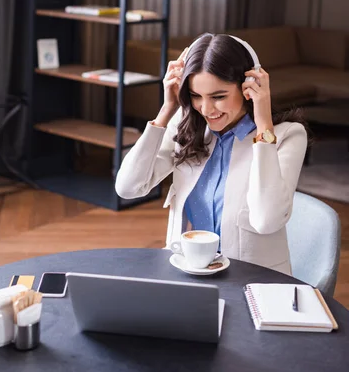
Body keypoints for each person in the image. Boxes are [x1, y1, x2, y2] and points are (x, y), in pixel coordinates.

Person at [115, 33, 308, 275]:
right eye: (196, 96)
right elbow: (128, 188)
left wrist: (264, 126)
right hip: (185, 274)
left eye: (218, 97)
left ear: (250, 86)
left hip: (253, 285)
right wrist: (166, 111)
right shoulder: (185, 127)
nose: (206, 109)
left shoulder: (288, 136)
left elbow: (266, 220)